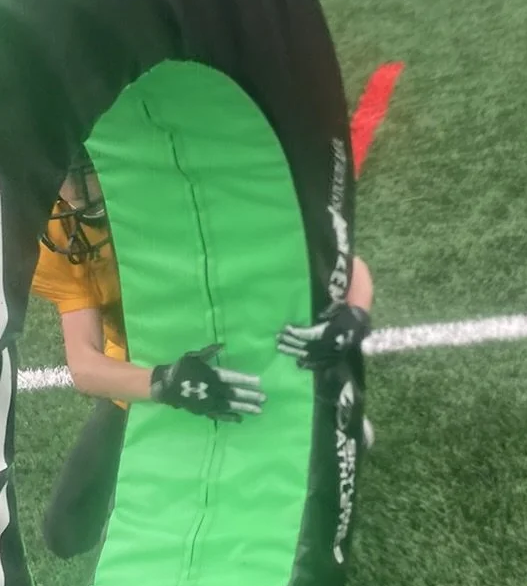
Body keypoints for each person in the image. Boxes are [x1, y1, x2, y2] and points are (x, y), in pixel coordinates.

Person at [32, 159, 372, 559]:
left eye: (79, 174)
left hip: (237, 351)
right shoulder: (60, 226)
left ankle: (327, 415)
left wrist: (355, 315)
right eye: (61, 176)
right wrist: (165, 382)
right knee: (67, 531)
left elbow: (342, 263)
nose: (68, 191)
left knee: (295, 513)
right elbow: (84, 364)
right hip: (148, 366)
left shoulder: (178, 189)